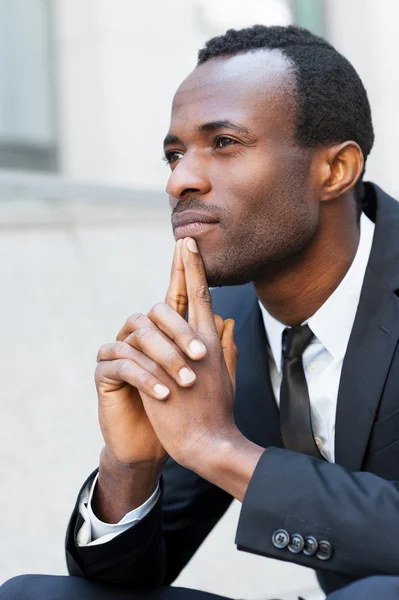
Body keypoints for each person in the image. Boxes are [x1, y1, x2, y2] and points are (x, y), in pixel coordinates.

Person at [3, 24, 399, 600]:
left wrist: (221, 449)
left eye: (225, 143)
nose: (180, 179)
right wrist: (129, 467)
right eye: (174, 153)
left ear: (334, 171)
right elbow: (126, 583)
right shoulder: (220, 328)